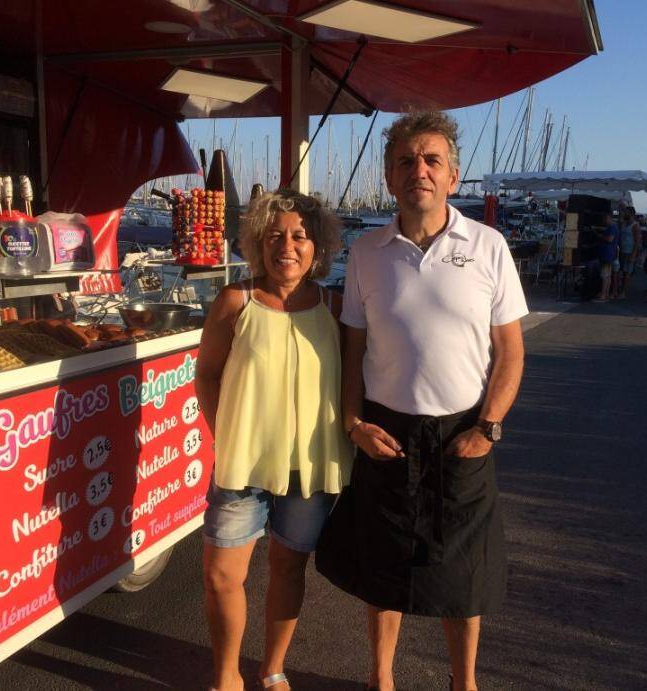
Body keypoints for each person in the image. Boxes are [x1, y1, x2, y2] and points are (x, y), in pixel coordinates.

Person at [315, 111, 528, 691]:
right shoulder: (366, 253)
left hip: (464, 430)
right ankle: (381, 679)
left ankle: (465, 683)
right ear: (389, 178)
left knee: (464, 573)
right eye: (406, 161)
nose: (420, 171)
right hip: (385, 430)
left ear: (453, 177)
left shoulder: (489, 246)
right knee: (384, 567)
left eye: (432, 160)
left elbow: (510, 352)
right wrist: (354, 422)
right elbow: (351, 349)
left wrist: (488, 428)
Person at [195, 189, 354, 691]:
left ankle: (272, 668)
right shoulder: (235, 300)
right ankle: (226, 676)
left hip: (309, 467)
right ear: (258, 244)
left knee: (288, 570)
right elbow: (207, 376)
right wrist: (226, 433)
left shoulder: (336, 306)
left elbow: (357, 379)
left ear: (318, 247)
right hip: (242, 466)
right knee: (223, 574)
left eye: (300, 236)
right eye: (275, 236)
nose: (287, 246)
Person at [616, 209, 641, 299]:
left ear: (631, 214)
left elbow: (637, 241)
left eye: (626, 212)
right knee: (621, 271)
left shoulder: (635, 226)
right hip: (622, 251)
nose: (624, 213)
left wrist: (634, 255)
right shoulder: (624, 224)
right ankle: (619, 290)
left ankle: (623, 293)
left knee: (627, 273)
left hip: (629, 252)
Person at [595, 213, 619, 301]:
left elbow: (610, 239)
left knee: (605, 275)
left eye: (605, 219)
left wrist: (600, 236)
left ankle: (603, 294)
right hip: (610, 253)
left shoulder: (612, 227)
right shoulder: (613, 227)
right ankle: (606, 293)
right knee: (608, 275)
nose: (604, 221)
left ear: (609, 218)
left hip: (607, 254)